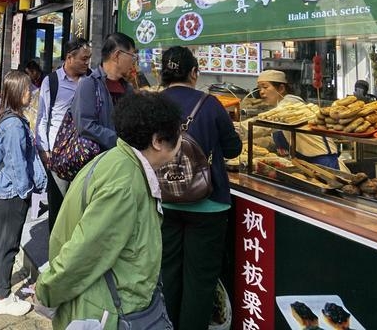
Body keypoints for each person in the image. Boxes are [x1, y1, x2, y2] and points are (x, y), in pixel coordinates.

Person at [35, 91, 183, 329]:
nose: (180, 146)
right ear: (157, 141)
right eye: (178, 137)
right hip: (110, 310)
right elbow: (86, 251)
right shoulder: (125, 183)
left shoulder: (115, 159)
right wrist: (47, 290)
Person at [159, 47, 242, 330]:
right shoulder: (210, 104)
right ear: (194, 73)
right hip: (208, 204)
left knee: (168, 273)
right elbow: (233, 148)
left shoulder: (153, 104)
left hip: (164, 201)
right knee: (201, 280)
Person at [0, 70, 48, 317]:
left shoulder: (5, 117)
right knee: (7, 245)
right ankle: (3, 296)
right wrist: (26, 193)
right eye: (26, 89)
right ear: (16, 93)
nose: (30, 93)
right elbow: (16, 165)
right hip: (10, 195)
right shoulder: (14, 124)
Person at [34, 37, 92, 231]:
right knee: (58, 207)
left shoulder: (92, 80)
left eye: (89, 59)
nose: (87, 63)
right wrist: (44, 151)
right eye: (83, 59)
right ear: (69, 58)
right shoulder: (51, 82)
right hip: (58, 156)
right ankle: (56, 253)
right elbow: (42, 117)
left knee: (82, 207)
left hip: (85, 154)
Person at [256, 69, 339, 169]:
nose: (261, 92)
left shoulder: (291, 104)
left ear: (281, 88)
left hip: (322, 160)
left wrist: (239, 130)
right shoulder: (278, 108)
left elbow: (265, 124)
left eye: (265, 87)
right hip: (303, 162)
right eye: (259, 88)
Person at [72, 32, 136, 151]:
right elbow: (85, 126)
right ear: (117, 56)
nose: (134, 62)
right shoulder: (89, 84)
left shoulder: (128, 89)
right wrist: (119, 142)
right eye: (132, 56)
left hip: (124, 158)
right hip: (98, 160)